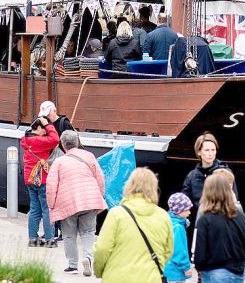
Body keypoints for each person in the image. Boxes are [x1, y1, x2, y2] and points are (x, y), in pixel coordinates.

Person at [94, 168, 174, 282]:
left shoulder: (116, 214)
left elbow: (102, 248)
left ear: (129, 185)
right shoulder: (164, 216)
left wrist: (99, 271)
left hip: (117, 278)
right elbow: (168, 251)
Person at [46, 130, 107, 276]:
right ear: (78, 142)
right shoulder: (89, 156)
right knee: (88, 232)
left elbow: (51, 186)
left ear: (62, 145)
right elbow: (100, 178)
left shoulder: (59, 162)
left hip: (68, 202)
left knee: (69, 235)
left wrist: (51, 207)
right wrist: (99, 196)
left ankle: (72, 266)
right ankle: (87, 257)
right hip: (90, 199)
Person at [194, 175, 245, 283]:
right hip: (239, 271)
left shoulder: (205, 220)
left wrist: (200, 268)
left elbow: (200, 255)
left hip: (214, 273)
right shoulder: (242, 217)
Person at [21, 115, 60, 247]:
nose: (46, 132)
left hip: (29, 179)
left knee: (34, 208)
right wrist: (48, 124)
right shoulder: (39, 141)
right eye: (44, 129)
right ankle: (49, 239)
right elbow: (55, 139)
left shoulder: (25, 139)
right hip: (42, 179)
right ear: (38, 127)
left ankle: (33, 239)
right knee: (47, 209)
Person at [182, 132, 236, 210]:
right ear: (199, 152)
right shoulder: (192, 176)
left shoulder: (225, 173)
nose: (210, 154)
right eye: (207, 150)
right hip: (199, 218)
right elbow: (184, 201)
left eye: (213, 150)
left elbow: (234, 200)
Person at [164, 193, 194, 282]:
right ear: (179, 211)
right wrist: (186, 267)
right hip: (177, 270)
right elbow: (179, 251)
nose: (189, 212)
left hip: (169, 268)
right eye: (187, 210)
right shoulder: (178, 227)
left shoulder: (169, 222)